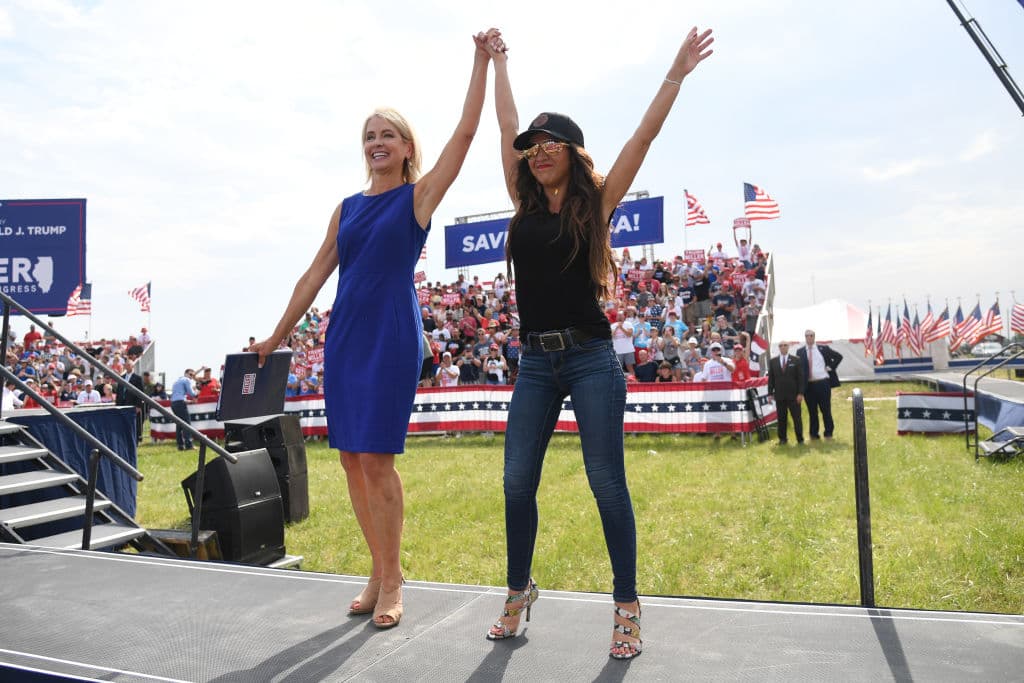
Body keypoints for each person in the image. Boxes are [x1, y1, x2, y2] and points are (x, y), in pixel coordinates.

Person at [481, 25, 714, 659]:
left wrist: (676, 73)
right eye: (532, 146)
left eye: (551, 143)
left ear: (574, 153)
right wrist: (499, 61)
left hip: (589, 359)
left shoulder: (597, 202)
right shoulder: (521, 203)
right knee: (514, 483)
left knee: (605, 481)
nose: (537, 151)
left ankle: (627, 607)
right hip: (534, 362)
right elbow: (505, 124)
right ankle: (519, 590)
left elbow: (643, 137)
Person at [252, 30, 495, 631]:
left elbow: (466, 136)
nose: (376, 142)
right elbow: (314, 274)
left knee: (378, 461)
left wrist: (480, 61)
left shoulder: (419, 196)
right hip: (345, 337)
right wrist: (277, 335)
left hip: (390, 334)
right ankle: (377, 568)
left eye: (387, 134)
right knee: (351, 462)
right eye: (369, 136)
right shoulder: (348, 207)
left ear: (408, 146)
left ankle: (392, 579)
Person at [796, 329, 843, 440]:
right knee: (812, 411)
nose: (809, 338)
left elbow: (838, 356)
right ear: (805, 337)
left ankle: (828, 433)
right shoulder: (800, 352)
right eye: (807, 336)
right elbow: (799, 370)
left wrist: (831, 367)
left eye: (811, 335)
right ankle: (814, 434)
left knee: (825, 409)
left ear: (814, 337)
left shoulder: (823, 349)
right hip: (809, 386)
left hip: (823, 384)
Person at [766, 340, 804, 445]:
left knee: (797, 418)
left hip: (794, 395)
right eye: (781, 345)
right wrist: (770, 393)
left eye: (785, 345)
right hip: (780, 395)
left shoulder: (796, 360)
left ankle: (800, 439)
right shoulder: (773, 361)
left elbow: (801, 378)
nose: (783, 347)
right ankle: (782, 439)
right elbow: (771, 379)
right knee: (782, 419)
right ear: (778, 347)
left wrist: (800, 393)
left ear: (788, 347)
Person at [170, 369, 197, 450]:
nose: (191, 377)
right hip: (180, 404)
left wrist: (189, 401)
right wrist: (197, 391)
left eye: (193, 375)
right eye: (191, 374)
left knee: (179, 425)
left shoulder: (176, 381)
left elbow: (178, 396)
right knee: (187, 424)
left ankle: (180, 445)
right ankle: (189, 445)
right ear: (186, 373)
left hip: (174, 404)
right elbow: (191, 393)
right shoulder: (186, 380)